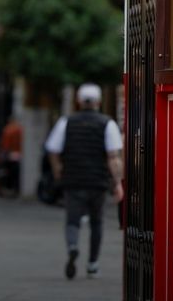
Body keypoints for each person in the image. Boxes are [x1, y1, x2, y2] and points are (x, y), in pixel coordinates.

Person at [46, 84, 126, 280]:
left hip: (73, 180)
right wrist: (117, 183)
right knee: (97, 222)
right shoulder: (107, 123)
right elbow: (113, 156)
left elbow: (53, 149)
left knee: (72, 220)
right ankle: (92, 264)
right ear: (98, 102)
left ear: (79, 101)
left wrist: (58, 170)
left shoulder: (66, 122)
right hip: (97, 181)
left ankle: (73, 246)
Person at [0, 113, 23, 198]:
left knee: (8, 173)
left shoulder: (8, 130)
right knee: (15, 174)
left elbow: (5, 145)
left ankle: (9, 188)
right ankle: (15, 189)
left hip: (10, 155)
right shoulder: (20, 129)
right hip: (18, 154)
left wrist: (2, 154)